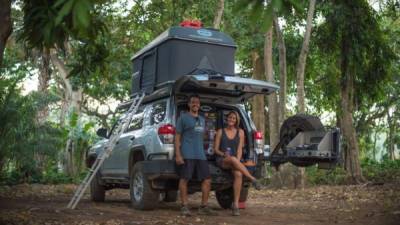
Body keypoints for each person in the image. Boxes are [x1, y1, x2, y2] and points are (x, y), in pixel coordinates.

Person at [175, 94, 217, 216]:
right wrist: (178, 155)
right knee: (184, 179)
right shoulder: (183, 118)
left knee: (207, 180)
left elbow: (202, 135)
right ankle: (184, 206)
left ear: (199, 105)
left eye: (197, 102)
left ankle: (203, 206)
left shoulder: (202, 120)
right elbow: (177, 137)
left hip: (200, 155)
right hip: (187, 153)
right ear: (189, 104)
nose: (195, 104)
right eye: (193, 102)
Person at [214, 111, 262, 216]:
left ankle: (235, 205)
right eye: (230, 118)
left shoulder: (240, 132)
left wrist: (237, 160)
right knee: (232, 159)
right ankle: (252, 179)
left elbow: (240, 149)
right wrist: (223, 154)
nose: (231, 119)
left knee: (239, 174)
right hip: (222, 160)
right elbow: (216, 149)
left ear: (236, 121)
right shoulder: (220, 132)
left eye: (233, 118)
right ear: (227, 119)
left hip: (235, 160)